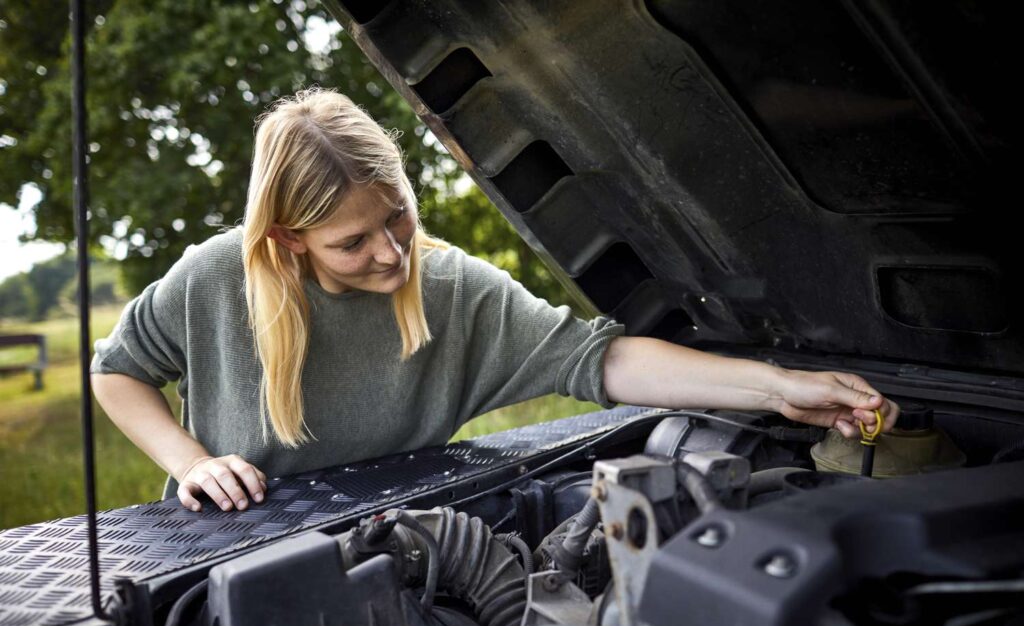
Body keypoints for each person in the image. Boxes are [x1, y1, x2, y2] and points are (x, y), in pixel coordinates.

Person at [91, 87, 899, 513]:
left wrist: (779, 385)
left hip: (401, 538)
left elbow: (605, 359)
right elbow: (116, 371)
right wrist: (191, 462)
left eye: (398, 214)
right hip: (228, 551)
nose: (392, 251)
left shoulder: (450, 287)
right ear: (290, 239)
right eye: (352, 242)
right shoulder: (213, 277)